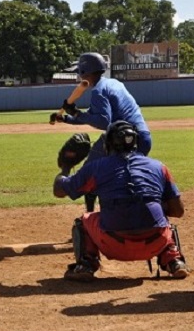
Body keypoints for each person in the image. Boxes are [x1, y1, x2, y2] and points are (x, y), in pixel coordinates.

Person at [53, 120, 189, 282]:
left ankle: (86, 265)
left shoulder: (97, 167)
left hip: (113, 244)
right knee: (164, 222)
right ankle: (174, 261)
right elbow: (178, 211)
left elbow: (59, 191)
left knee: (83, 222)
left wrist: (66, 167)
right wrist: (150, 206)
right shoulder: (159, 167)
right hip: (155, 243)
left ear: (108, 144)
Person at [53, 52, 152, 212]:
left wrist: (76, 113)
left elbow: (104, 121)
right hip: (143, 138)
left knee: (89, 173)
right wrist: (66, 118)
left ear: (84, 72)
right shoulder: (113, 83)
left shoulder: (98, 91)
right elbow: (92, 116)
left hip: (120, 139)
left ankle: (90, 216)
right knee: (125, 179)